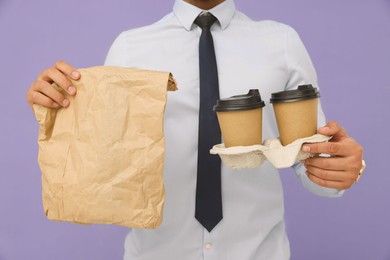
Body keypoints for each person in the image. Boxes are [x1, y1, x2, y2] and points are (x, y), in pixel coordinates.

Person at [26, 0, 365, 259]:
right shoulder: (130, 47)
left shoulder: (282, 43)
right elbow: (104, 161)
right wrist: (57, 112)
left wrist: (340, 169)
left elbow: (307, 159)